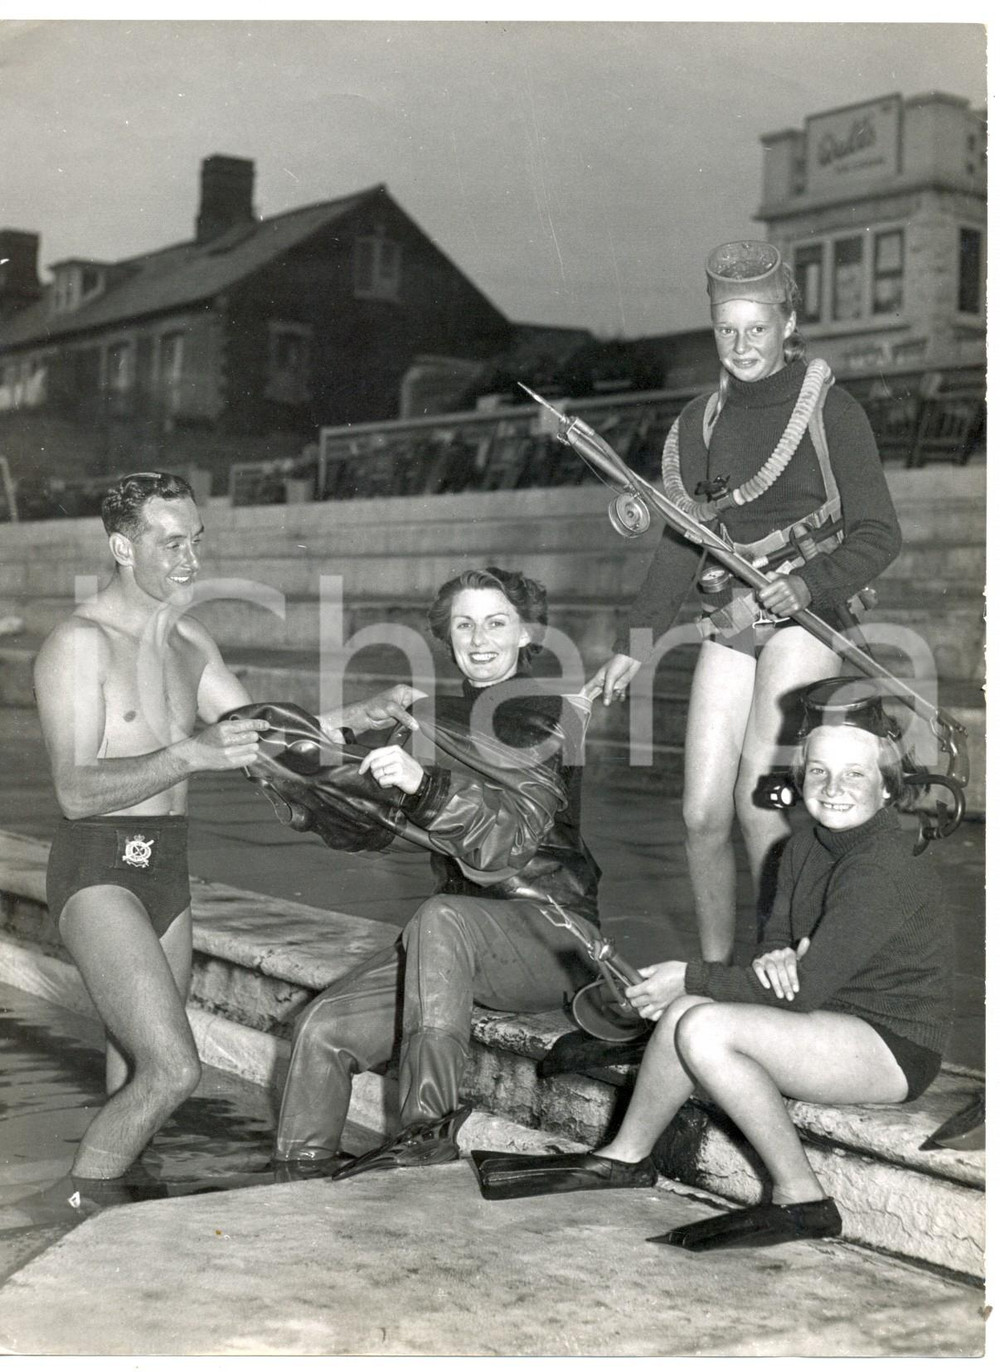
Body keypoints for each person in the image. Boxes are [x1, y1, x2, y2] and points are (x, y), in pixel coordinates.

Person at [32, 470, 412, 1206]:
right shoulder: (78, 646)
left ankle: (119, 1217)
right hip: (99, 869)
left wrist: (354, 720)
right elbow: (75, 792)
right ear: (120, 546)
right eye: (170, 543)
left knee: (137, 1072)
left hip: (165, 873)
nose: (190, 560)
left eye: (196, 540)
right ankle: (65, 1219)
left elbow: (268, 738)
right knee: (175, 1071)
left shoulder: (188, 639)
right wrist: (190, 754)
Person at [472, 677, 952, 1251]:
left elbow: (802, 992)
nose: (833, 788)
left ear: (887, 784)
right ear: (799, 777)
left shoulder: (880, 868)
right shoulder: (803, 844)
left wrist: (689, 976)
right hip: (833, 1015)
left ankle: (804, 1199)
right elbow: (776, 938)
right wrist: (773, 954)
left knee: (703, 1021)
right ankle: (624, 1157)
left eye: (855, 774)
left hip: (891, 1045)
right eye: (818, 771)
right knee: (687, 1013)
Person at [586, 241, 902, 963]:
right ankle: (719, 973)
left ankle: (779, 965)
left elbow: (881, 534)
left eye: (757, 327)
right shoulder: (699, 421)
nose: (741, 345)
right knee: (700, 813)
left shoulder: (832, 410)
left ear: (787, 323)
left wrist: (810, 584)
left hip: (808, 616)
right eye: (726, 330)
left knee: (760, 806)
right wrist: (632, 648)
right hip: (733, 620)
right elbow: (681, 544)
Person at [273, 566, 602, 1173]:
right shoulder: (433, 717)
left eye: (496, 623)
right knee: (324, 1026)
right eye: (464, 625)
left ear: (527, 633)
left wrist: (423, 786)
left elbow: (511, 843)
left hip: (551, 936)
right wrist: (344, 736)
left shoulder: (553, 715)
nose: (480, 639)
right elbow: (347, 810)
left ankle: (426, 1130)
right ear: (447, 638)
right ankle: (295, 1178)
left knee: (442, 914)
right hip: (451, 945)